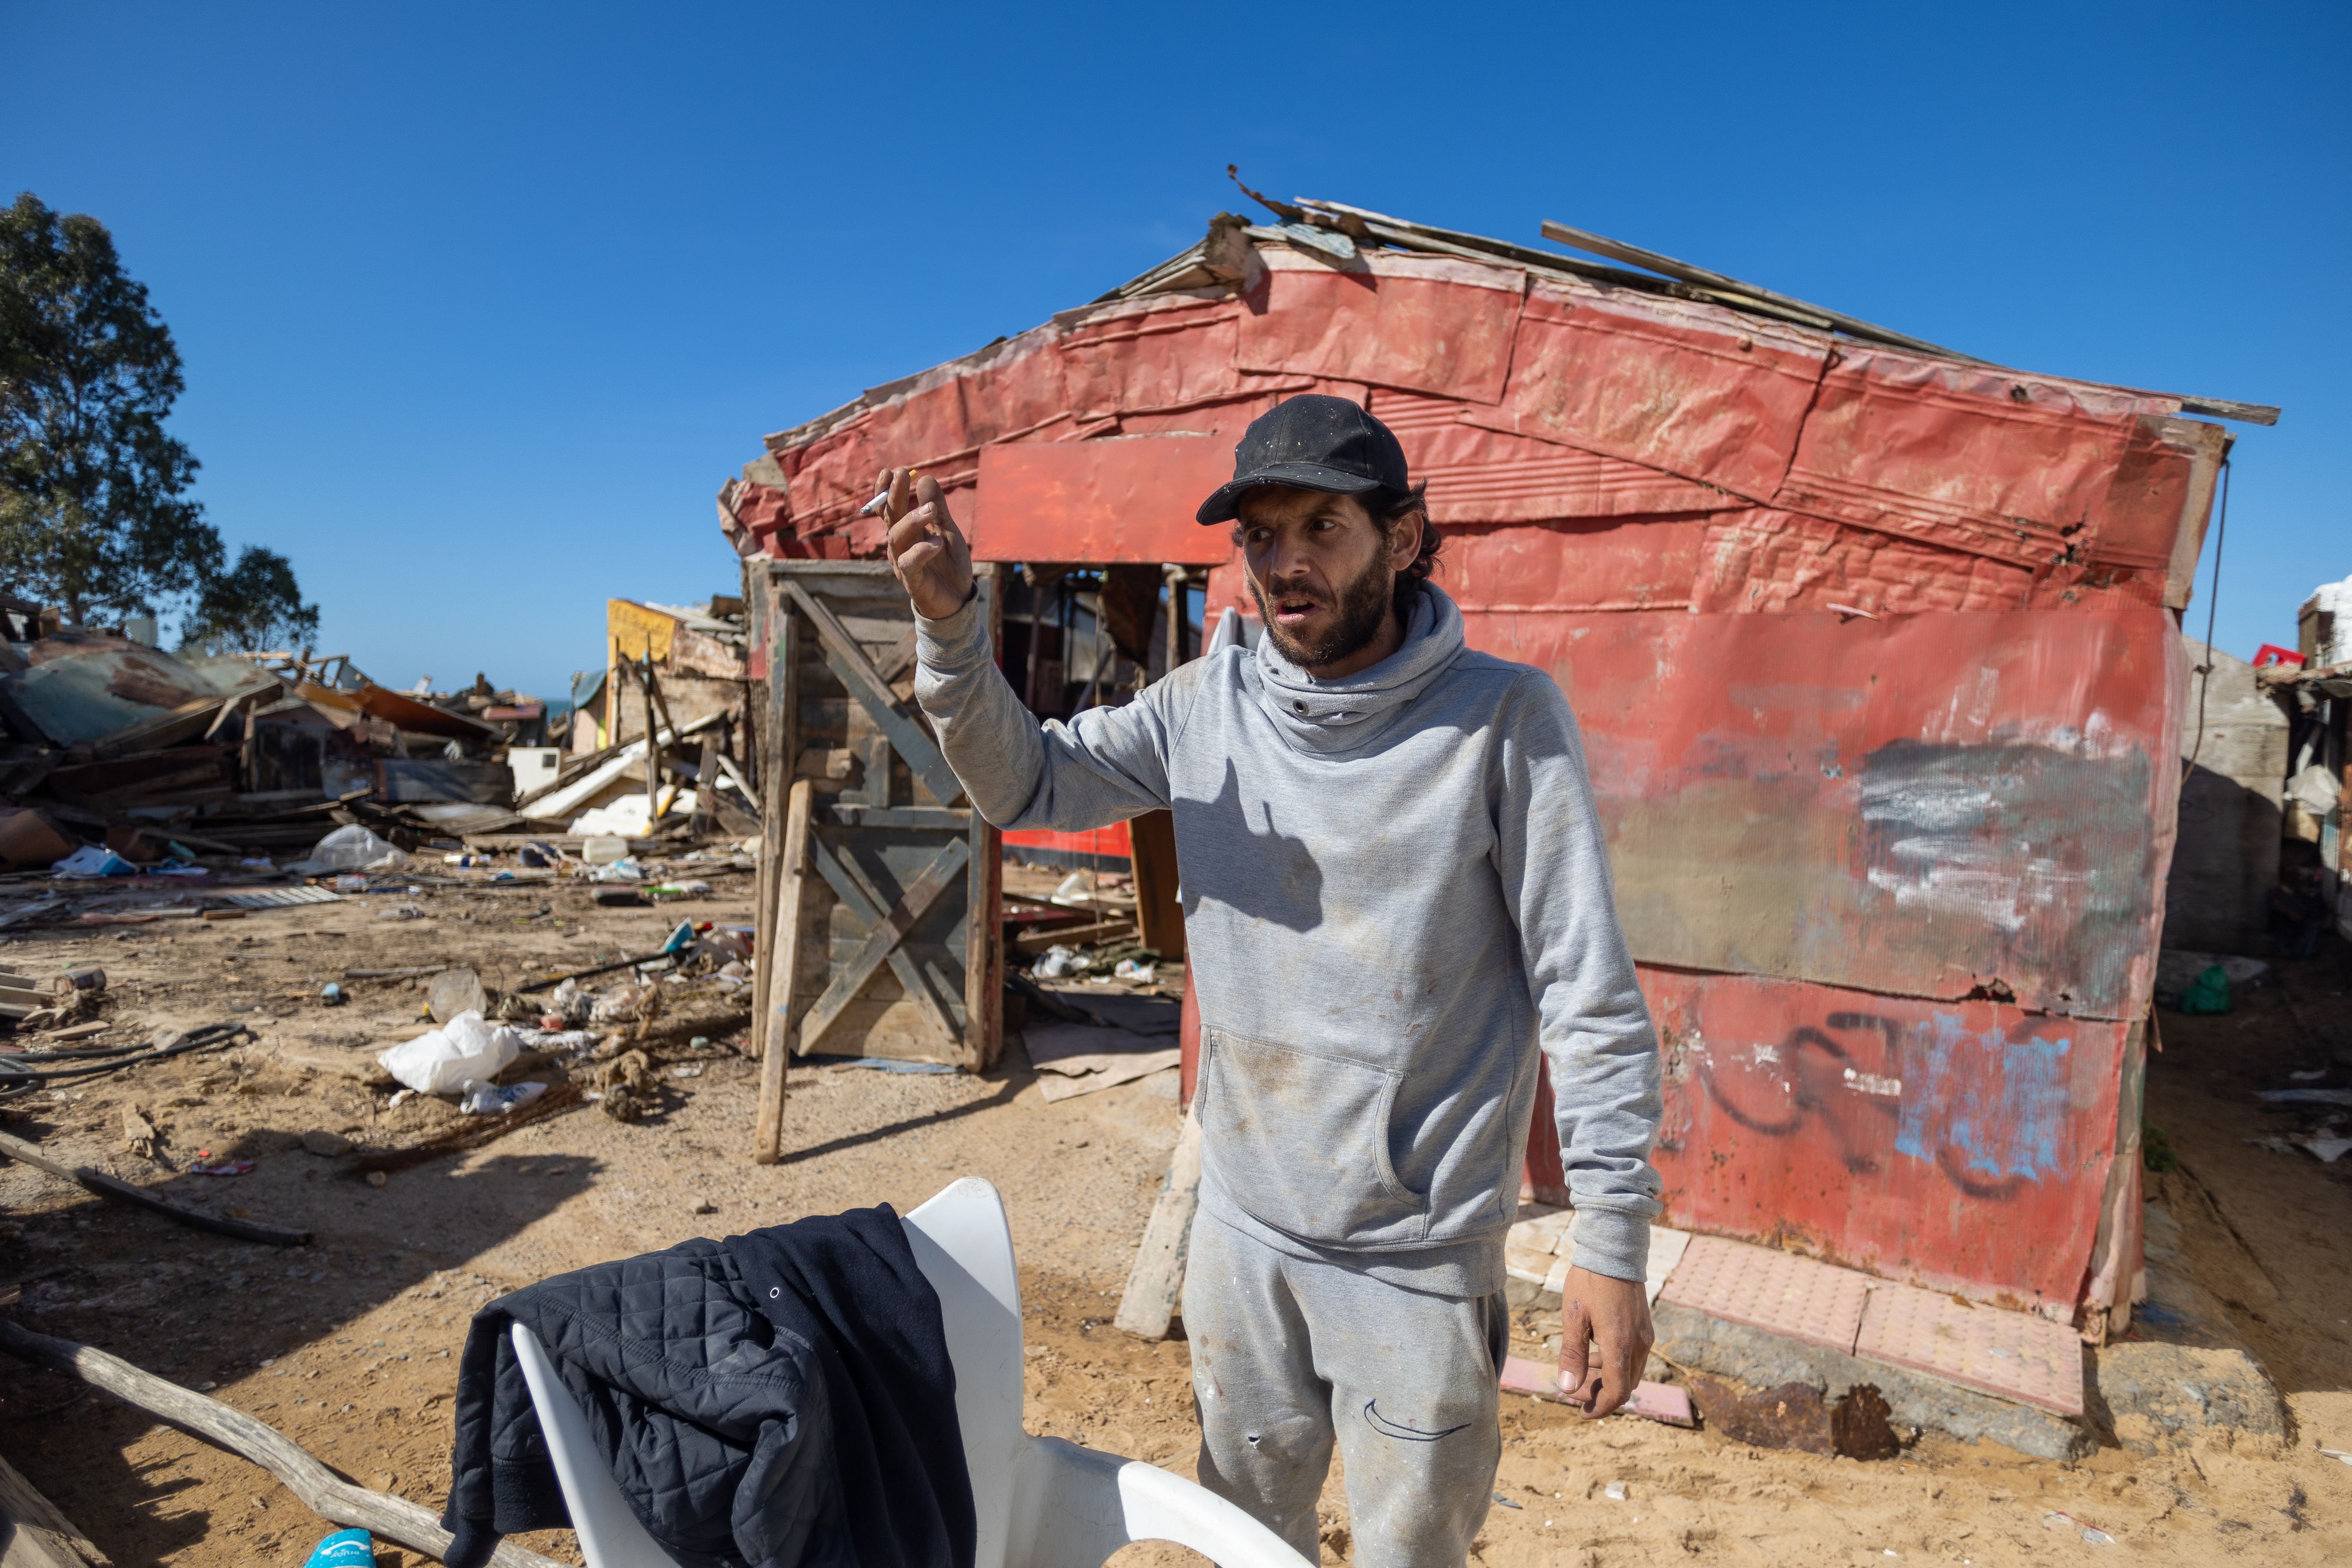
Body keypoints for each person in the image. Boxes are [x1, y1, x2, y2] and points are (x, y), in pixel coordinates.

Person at [884, 393, 1663, 1567]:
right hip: (1240, 1233)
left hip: (1417, 1259)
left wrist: (1610, 1234)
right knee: (1243, 1535)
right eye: (1258, 535)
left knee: (1412, 1553)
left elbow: (1587, 990)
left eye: (1319, 528)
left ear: (1400, 539)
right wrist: (949, 626)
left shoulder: (1503, 722)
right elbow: (1030, 784)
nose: (1283, 565)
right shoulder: (1205, 708)